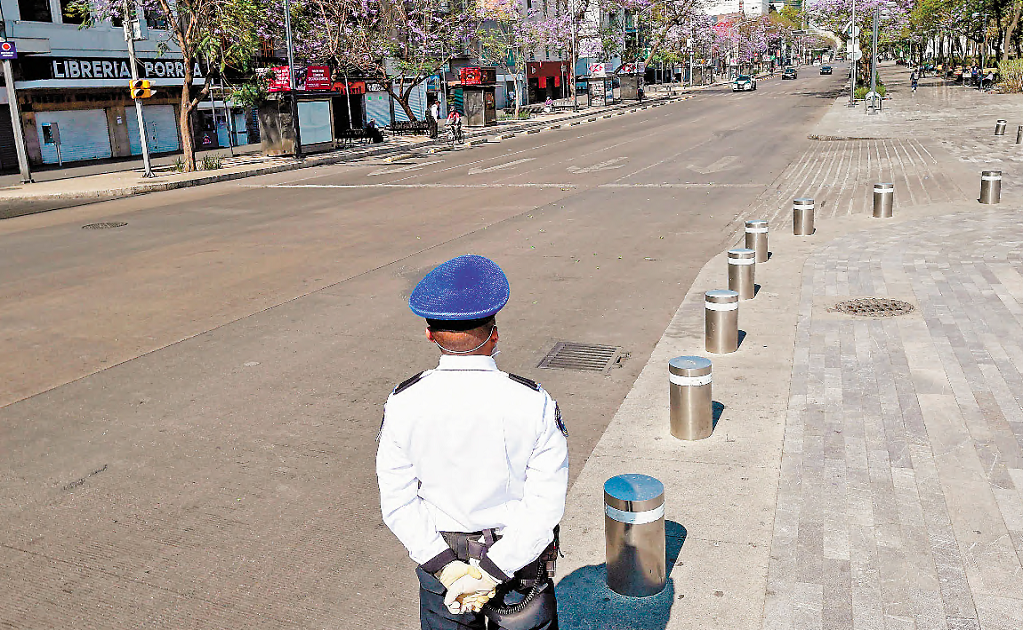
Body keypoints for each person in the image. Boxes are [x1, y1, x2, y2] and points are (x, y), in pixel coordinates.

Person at [377, 254, 569, 630]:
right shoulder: (533, 402)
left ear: (430, 334)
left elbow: (398, 502)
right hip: (518, 570)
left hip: (442, 568)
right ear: (494, 333)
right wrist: (492, 571)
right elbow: (545, 503)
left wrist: (449, 571)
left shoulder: (404, 402)